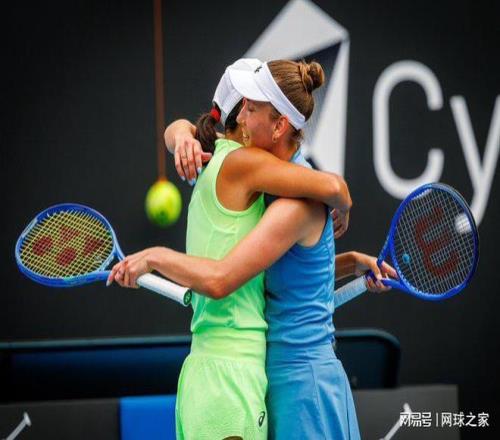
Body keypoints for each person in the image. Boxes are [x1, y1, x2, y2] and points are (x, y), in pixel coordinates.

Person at [109, 59, 393, 439]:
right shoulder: (264, 183)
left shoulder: (295, 200)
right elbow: (288, 271)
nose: (243, 116)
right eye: (242, 107)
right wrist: (351, 260)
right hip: (270, 378)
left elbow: (225, 277)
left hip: (304, 383)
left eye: (253, 109)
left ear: (279, 126)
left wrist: (154, 257)